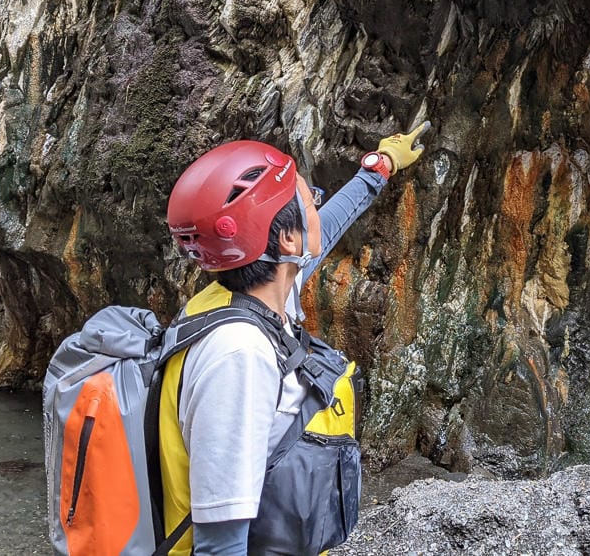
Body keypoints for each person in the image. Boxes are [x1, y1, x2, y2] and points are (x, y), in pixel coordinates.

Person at [159, 123, 430, 556]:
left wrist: (379, 168)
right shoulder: (240, 355)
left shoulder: (241, 298)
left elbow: (326, 231)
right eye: (310, 201)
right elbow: (219, 544)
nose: (317, 208)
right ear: (286, 239)